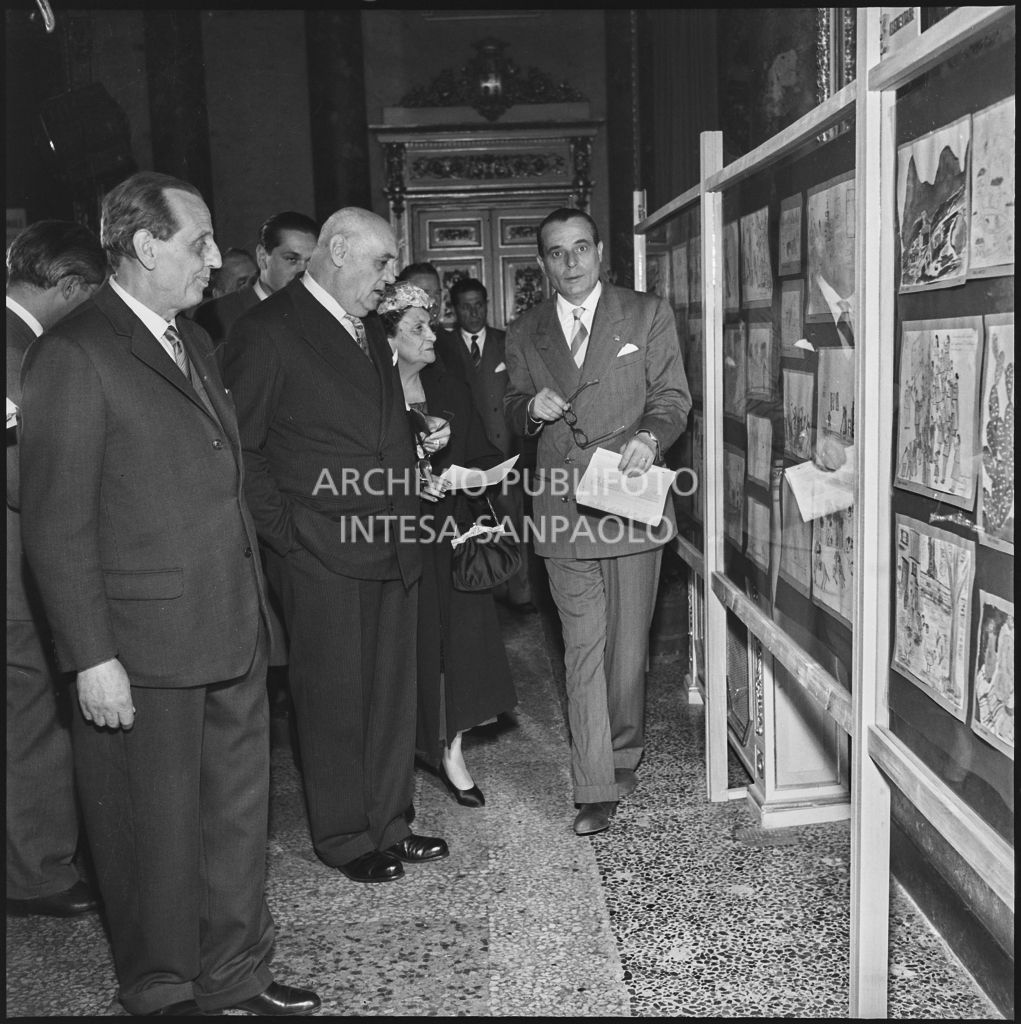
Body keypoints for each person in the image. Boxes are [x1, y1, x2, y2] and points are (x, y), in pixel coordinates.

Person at [17, 171, 320, 1017]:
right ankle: (160, 987)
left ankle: (235, 974)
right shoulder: (73, 353)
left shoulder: (194, 340)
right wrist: (90, 657)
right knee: (149, 833)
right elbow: (55, 523)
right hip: (140, 648)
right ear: (146, 247)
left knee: (234, 823)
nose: (215, 259)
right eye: (198, 243)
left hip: (230, 629)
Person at [221, 207, 450, 884]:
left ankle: (389, 820)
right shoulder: (267, 330)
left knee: (388, 695)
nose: (389, 279)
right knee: (332, 699)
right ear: (339, 250)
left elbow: (368, 425)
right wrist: (290, 540)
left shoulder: (364, 328)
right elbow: (244, 450)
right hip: (321, 551)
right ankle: (345, 836)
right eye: (382, 263)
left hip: (391, 543)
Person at [504, 207, 690, 837]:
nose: (571, 263)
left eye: (581, 248)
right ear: (542, 263)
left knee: (626, 649)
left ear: (601, 250)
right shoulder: (525, 330)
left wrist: (650, 436)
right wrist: (529, 407)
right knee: (582, 647)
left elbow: (673, 399)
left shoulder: (645, 315)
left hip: (628, 497)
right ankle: (595, 783)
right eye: (557, 253)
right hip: (560, 504)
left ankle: (623, 749)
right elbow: (505, 411)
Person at [381, 280, 517, 807]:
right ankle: (408, 748)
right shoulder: (374, 389)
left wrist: (474, 474)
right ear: (389, 337)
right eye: (417, 326)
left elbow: (480, 448)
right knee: (410, 644)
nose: (431, 333)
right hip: (398, 536)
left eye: (430, 322)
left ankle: (452, 747)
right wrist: (408, 481)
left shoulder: (448, 382)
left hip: (451, 531)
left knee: (458, 643)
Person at [6, 220, 106, 919]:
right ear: (68, 286)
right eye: (90, 295)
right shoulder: (19, 354)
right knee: (33, 713)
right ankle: (37, 873)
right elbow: (26, 479)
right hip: (15, 569)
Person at [436, 275, 536, 613]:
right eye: (466, 306)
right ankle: (484, 596)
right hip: (462, 454)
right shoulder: (440, 345)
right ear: (455, 309)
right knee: (472, 528)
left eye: (479, 305)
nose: (474, 313)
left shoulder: (505, 342)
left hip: (502, 451)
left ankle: (520, 593)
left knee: (512, 521)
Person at [194, 210, 318, 346]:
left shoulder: (318, 313)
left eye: (310, 261)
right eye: (292, 259)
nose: (303, 270)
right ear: (262, 256)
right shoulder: (218, 315)